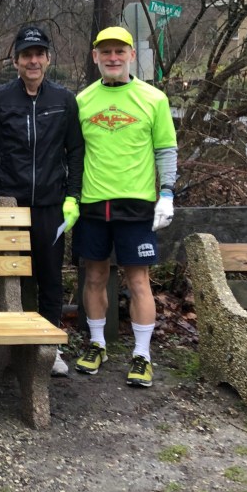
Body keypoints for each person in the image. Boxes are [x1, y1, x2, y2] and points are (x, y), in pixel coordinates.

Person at [72, 26, 177, 388]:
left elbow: (165, 149)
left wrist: (167, 193)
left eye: (119, 51)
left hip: (136, 205)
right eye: (106, 52)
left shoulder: (153, 99)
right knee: (95, 276)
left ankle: (142, 354)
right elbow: (73, 153)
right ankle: (97, 343)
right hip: (93, 203)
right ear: (95, 57)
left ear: (131, 55)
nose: (113, 57)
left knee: (138, 281)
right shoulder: (82, 100)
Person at [0, 25, 84, 377]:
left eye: (39, 54)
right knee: (14, 278)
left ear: (48, 58)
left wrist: (73, 196)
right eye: (27, 55)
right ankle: (15, 346)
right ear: (16, 60)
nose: (33, 60)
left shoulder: (64, 100)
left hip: (51, 205)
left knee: (50, 277)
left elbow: (76, 151)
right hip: (11, 204)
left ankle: (48, 347)